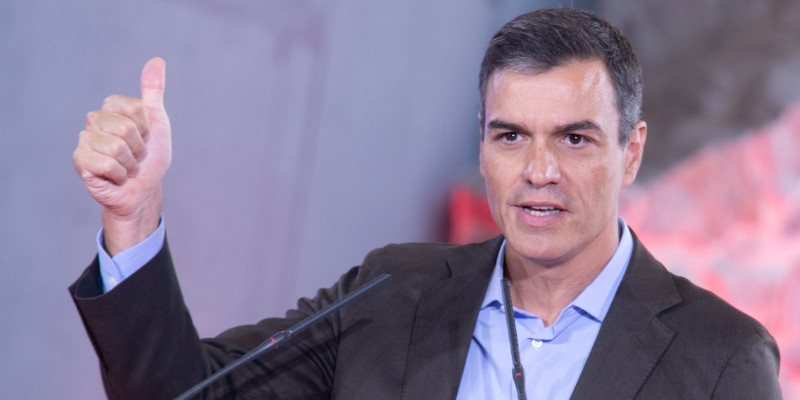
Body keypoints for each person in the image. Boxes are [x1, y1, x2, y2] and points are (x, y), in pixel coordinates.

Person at [70, 8, 782, 400]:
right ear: (483, 144)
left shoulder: (722, 359)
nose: (539, 172)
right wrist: (133, 213)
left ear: (631, 151)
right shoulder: (392, 292)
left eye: (574, 138)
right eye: (511, 136)